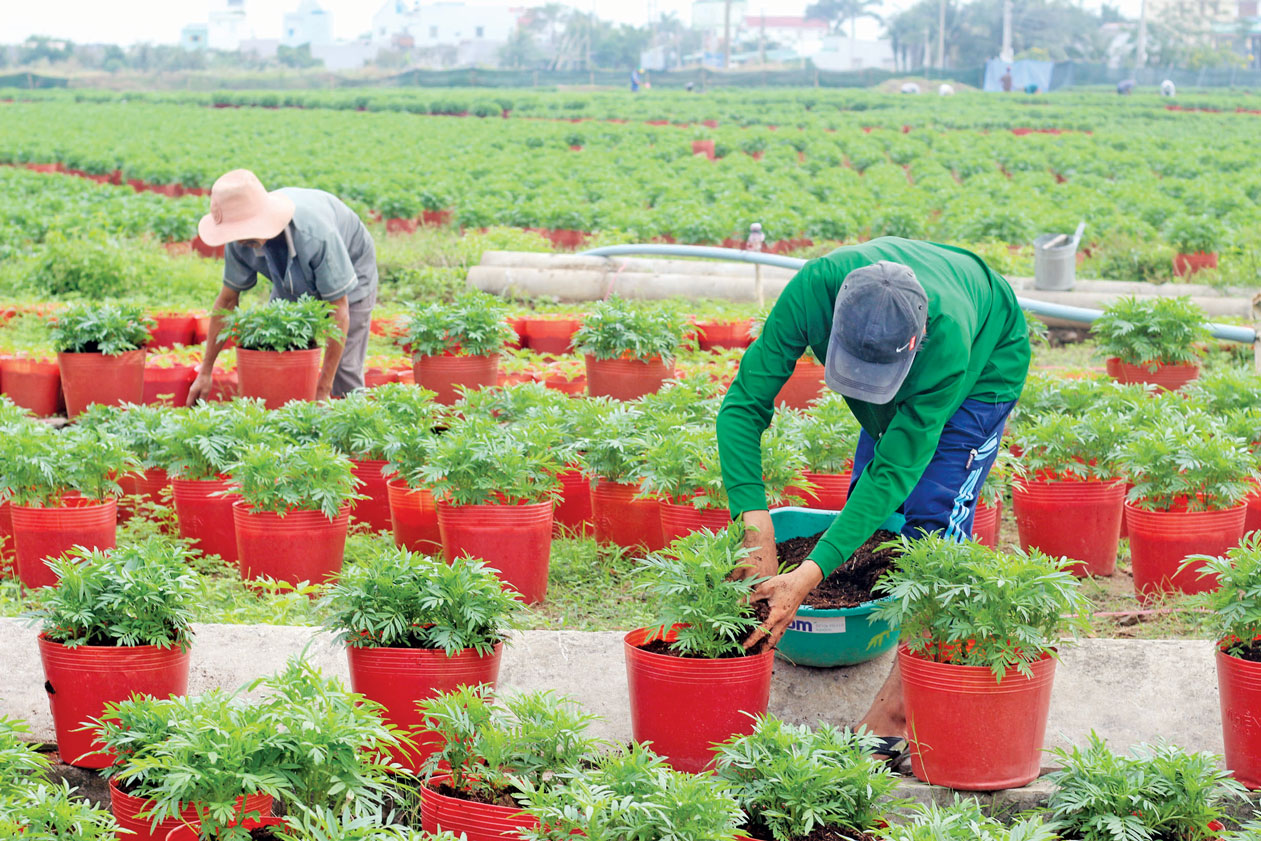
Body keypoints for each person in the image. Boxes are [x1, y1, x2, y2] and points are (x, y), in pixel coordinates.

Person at [716, 237, 1030, 759]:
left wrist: (807, 575)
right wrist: (755, 526)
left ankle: (902, 709)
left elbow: (895, 471)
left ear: (914, 343)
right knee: (877, 521)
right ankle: (881, 631)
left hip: (985, 360)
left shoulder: (946, 340)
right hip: (907, 352)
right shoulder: (814, 289)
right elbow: (743, 406)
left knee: (931, 527)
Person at [187, 169, 378, 405]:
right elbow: (227, 301)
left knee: (345, 369)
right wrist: (205, 371)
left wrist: (322, 389)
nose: (239, 240)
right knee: (282, 342)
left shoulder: (316, 234)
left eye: (244, 232)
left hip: (351, 265)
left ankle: (348, 427)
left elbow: (339, 309)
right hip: (289, 274)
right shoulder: (238, 242)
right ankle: (289, 422)